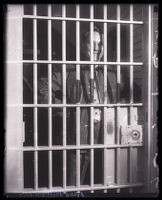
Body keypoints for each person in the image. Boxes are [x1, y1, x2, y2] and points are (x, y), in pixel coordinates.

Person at [38, 26, 124, 185]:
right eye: (92, 43)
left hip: (107, 141)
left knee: (106, 186)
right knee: (74, 185)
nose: (97, 47)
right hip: (79, 139)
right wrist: (68, 112)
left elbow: (130, 94)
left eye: (100, 43)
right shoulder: (70, 68)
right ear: (83, 45)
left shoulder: (111, 71)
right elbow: (43, 91)